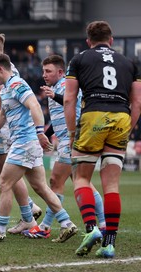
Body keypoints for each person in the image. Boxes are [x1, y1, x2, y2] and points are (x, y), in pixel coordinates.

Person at [0, 53, 76, 241]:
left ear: (0, 69)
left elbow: (35, 106)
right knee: (41, 187)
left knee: (5, 182)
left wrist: (40, 133)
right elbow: (3, 114)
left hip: (25, 142)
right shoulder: (6, 89)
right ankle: (67, 224)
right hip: (26, 142)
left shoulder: (17, 84)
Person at [64, 21, 141, 258]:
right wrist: (129, 128)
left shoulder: (79, 59)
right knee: (112, 185)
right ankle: (109, 244)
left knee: (81, 178)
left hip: (94, 115)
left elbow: (69, 99)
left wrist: (71, 133)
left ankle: (91, 229)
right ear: (112, 40)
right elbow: (137, 102)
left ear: (89, 41)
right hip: (121, 118)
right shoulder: (129, 63)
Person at [0, 32, 42, 236]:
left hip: (7, 128)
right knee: (4, 172)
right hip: (7, 126)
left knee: (7, 175)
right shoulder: (6, 67)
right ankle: (29, 213)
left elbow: (1, 97)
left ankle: (28, 214)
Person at [22, 55, 85, 242]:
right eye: (43, 71)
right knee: (82, 183)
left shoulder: (65, 85)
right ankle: (103, 225)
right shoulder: (55, 88)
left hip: (72, 139)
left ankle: (45, 227)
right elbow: (58, 118)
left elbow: (69, 102)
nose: (44, 75)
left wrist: (53, 95)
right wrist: (46, 134)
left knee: (55, 180)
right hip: (67, 139)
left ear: (60, 72)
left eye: (48, 71)